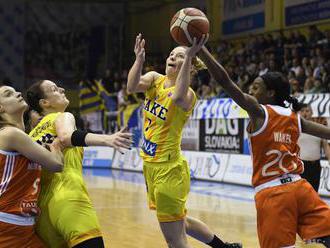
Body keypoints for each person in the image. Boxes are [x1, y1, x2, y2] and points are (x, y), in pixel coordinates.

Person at [198, 46, 330, 248]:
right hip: (300, 189)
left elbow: (225, 81)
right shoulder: (294, 117)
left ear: (270, 93)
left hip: (273, 194)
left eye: (256, 87)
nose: (251, 91)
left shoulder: (259, 111)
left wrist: (202, 51)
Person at [127, 33, 242, 248]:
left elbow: (177, 98)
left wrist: (189, 57)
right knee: (182, 222)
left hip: (168, 170)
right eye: (172, 54)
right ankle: (223, 247)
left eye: (180, 56)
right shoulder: (154, 79)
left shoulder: (189, 94)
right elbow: (131, 87)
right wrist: (139, 60)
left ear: (190, 66)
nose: (173, 57)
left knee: (175, 239)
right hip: (150, 166)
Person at [26, 80, 133, 248]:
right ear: (45, 103)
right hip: (68, 197)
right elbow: (66, 136)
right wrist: (107, 139)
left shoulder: (31, 136)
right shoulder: (62, 116)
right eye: (54, 89)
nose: (61, 89)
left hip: (41, 213)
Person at [0, 83, 64, 247]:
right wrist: (57, 142)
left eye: (15, 91)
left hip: (23, 226)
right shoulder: (10, 134)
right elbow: (56, 164)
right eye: (8, 94)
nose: (18, 93)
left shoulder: (21, 136)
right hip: (7, 226)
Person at [298, 103, 330, 192]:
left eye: (307, 111)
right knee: (301, 193)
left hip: (315, 166)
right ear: (299, 113)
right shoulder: (295, 129)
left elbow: (325, 146)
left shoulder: (318, 129)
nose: (305, 113)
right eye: (302, 111)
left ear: (312, 113)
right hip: (301, 166)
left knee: (314, 192)